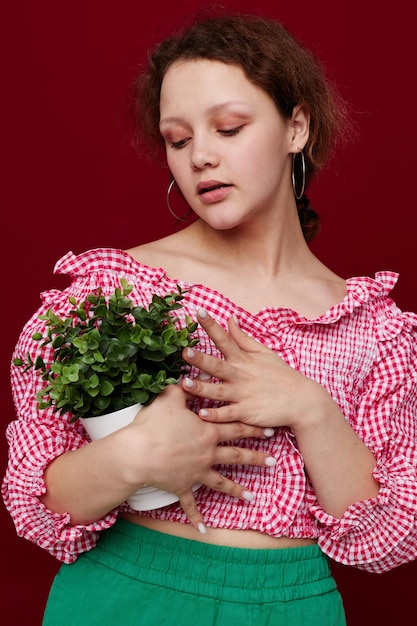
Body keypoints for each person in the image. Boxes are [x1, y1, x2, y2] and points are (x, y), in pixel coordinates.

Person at [3, 12, 417, 626]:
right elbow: (38, 503)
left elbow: (389, 538)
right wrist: (136, 455)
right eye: (177, 139)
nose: (200, 157)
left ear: (295, 126)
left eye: (228, 128)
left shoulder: (374, 329)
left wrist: (311, 408)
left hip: (291, 604)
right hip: (125, 593)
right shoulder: (117, 295)